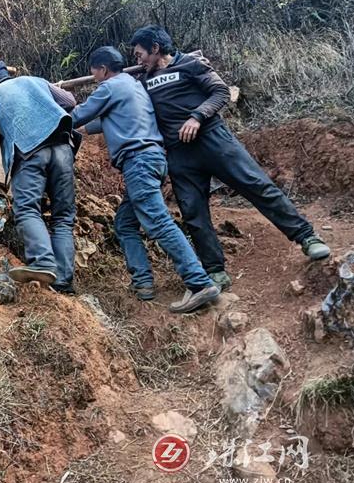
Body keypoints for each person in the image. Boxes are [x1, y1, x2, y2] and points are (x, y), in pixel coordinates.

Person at [129, 25, 330, 290]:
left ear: (155, 48)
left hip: (214, 140)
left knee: (256, 184)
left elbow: (221, 92)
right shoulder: (143, 81)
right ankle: (215, 271)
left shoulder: (190, 64)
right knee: (193, 212)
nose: (138, 60)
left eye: (140, 53)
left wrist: (196, 116)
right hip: (179, 154)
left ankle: (307, 237)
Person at [72, 47, 220, 312]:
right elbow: (102, 121)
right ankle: (143, 284)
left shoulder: (109, 87)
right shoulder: (133, 86)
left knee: (159, 222)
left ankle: (199, 283)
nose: (93, 76)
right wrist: (82, 129)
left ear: (102, 69)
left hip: (138, 162)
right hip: (152, 160)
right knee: (125, 224)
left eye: (94, 71)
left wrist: (53, 120)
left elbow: (79, 114)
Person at [0, 76, 80, 294]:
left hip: (30, 152)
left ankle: (43, 261)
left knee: (27, 209)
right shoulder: (34, 80)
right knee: (63, 217)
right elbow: (70, 101)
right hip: (64, 149)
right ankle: (63, 282)